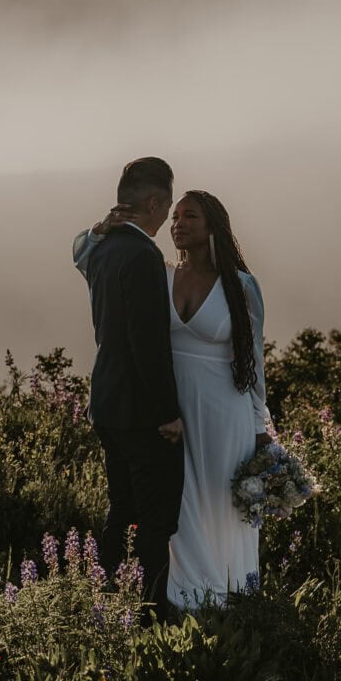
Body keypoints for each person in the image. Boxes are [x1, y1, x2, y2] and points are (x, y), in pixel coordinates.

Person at [76, 187, 270, 609]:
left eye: (191, 216)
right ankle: (181, 592)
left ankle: (226, 589)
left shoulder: (241, 286)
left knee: (220, 502)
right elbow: (85, 259)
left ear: (213, 227)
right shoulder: (156, 273)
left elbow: (255, 361)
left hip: (224, 412)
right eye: (176, 215)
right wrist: (98, 230)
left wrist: (260, 427)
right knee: (174, 503)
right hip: (169, 408)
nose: (179, 223)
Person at [72, 156, 183, 623]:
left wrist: (97, 227)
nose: (169, 216)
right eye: (169, 204)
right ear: (154, 202)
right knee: (157, 519)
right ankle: (151, 614)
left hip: (107, 401)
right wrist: (168, 412)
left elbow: (76, 250)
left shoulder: (100, 250)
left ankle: (103, 603)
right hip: (140, 410)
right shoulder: (141, 256)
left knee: (122, 511)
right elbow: (147, 342)